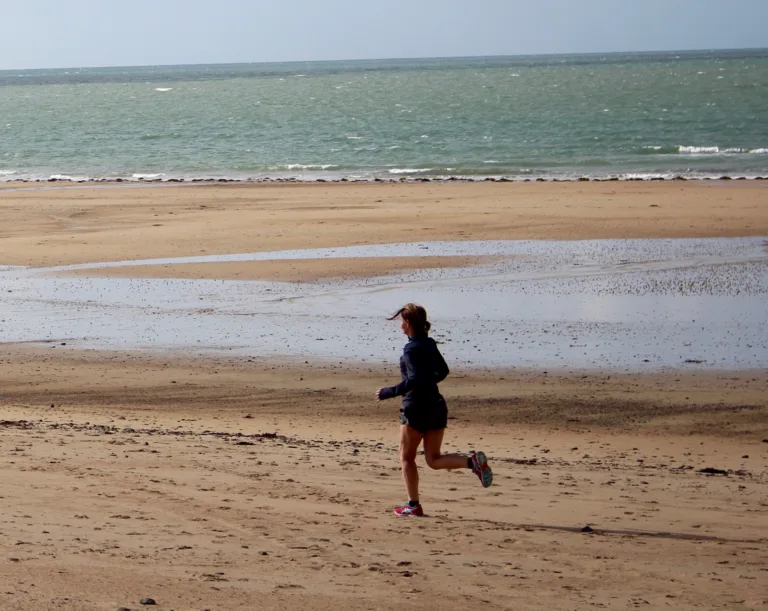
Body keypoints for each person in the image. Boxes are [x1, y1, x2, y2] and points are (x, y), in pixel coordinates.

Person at [376, 303, 493, 517]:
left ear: (409, 323)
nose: (400, 326)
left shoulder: (410, 349)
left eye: (402, 322)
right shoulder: (429, 343)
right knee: (433, 459)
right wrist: (429, 382)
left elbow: (412, 379)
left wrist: (389, 392)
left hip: (416, 409)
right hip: (437, 407)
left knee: (406, 458)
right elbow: (443, 371)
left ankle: (413, 505)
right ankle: (472, 462)